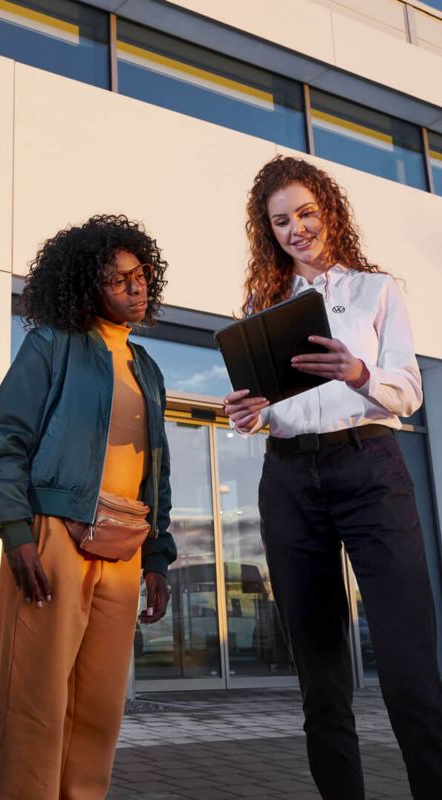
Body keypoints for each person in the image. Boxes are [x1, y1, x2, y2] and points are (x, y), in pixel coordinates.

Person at [224, 155, 442, 800]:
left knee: (409, 669)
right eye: (281, 221)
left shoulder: (377, 291)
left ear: (330, 210)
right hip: (290, 478)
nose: (296, 229)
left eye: (306, 213)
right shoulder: (263, 307)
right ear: (269, 232)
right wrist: (249, 413)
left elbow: (407, 391)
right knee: (320, 682)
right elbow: (269, 406)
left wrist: (358, 374)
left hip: (370, 467)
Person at [0, 214, 177, 800]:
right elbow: (3, 441)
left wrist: (159, 557)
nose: (136, 288)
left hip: (124, 548)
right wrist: (15, 531)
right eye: (119, 281)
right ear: (86, 286)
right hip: (53, 537)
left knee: (98, 708)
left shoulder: (149, 370)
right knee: (36, 703)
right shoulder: (52, 346)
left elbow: (156, 471)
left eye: (142, 276)